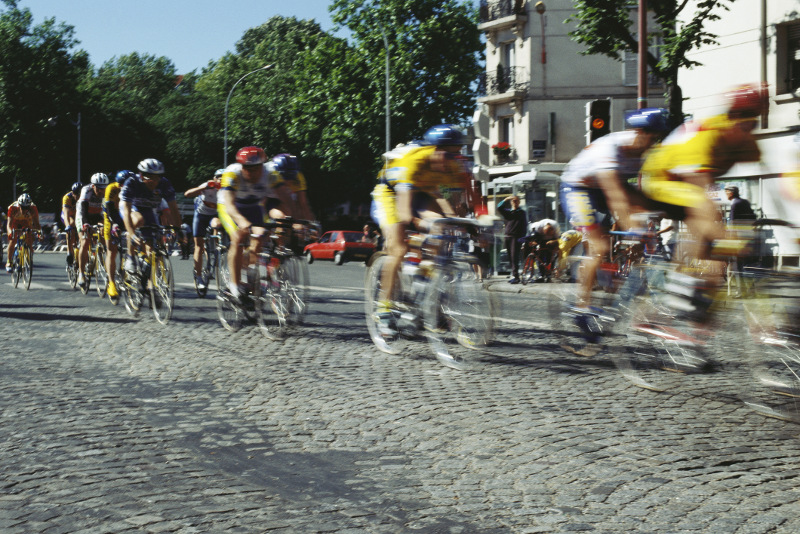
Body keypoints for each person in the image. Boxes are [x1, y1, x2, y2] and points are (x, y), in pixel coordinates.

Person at [560, 107, 669, 314]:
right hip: (578, 187)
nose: (653, 144)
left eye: (657, 139)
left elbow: (638, 195)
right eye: (652, 138)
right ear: (639, 134)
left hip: (606, 187)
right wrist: (633, 226)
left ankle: (636, 295)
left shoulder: (644, 153)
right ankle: (582, 305)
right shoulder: (610, 148)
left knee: (646, 215)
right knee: (599, 247)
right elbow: (614, 194)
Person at [370, 124, 466, 331]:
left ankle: (424, 291)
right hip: (390, 194)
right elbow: (405, 214)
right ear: (434, 151)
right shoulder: (413, 162)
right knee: (398, 248)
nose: (453, 160)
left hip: (423, 192)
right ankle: (383, 308)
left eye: (457, 155)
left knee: (440, 230)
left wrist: (462, 225)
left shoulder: (453, 166)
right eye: (449, 155)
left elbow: (453, 207)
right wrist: (424, 227)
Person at [218, 146, 286, 301]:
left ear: (263, 166)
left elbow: (284, 200)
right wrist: (242, 222)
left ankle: (249, 274)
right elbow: (229, 205)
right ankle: (234, 285)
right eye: (247, 168)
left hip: (252, 206)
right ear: (241, 167)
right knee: (238, 237)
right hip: (230, 206)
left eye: (256, 168)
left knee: (260, 238)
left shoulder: (270, 174)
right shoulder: (231, 173)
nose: (252, 172)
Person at [120, 159, 181, 271]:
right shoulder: (132, 182)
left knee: (152, 245)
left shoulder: (164, 183)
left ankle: (149, 284)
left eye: (157, 177)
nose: (154, 181)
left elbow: (174, 209)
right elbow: (127, 211)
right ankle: (130, 256)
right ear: (142, 176)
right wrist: (132, 234)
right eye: (150, 178)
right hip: (131, 207)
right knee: (138, 220)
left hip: (147, 209)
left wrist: (178, 230)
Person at [184, 169, 224, 291]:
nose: (221, 180)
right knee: (199, 246)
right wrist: (204, 187)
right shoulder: (209, 186)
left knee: (217, 224)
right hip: (201, 215)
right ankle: (199, 276)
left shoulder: (228, 189)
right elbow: (187, 194)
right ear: (214, 178)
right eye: (219, 177)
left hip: (216, 215)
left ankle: (217, 247)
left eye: (224, 177)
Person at [102, 170, 134, 301]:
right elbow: (109, 208)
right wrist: (114, 224)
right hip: (111, 215)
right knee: (112, 250)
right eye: (120, 184)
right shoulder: (111, 188)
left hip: (125, 214)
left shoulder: (134, 188)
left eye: (125, 184)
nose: (122, 187)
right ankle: (111, 283)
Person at [76, 173, 109, 288]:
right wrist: (86, 224)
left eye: (103, 188)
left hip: (96, 215)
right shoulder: (86, 190)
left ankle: (100, 252)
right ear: (93, 186)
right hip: (83, 215)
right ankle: (81, 274)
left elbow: (108, 210)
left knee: (106, 232)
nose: (101, 191)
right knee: (85, 242)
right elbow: (83, 208)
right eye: (99, 188)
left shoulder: (106, 192)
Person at [6, 194, 41, 272]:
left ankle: (28, 255)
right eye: (23, 207)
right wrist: (10, 233)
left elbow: (37, 224)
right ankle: (9, 261)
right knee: (13, 240)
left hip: (26, 222)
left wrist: (39, 234)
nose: (25, 210)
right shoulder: (13, 208)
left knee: (29, 237)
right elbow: (9, 225)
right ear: (19, 205)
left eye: (27, 208)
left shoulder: (33, 208)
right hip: (15, 222)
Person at [496, 195, 527, 284]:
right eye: (513, 201)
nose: (515, 202)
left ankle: (516, 276)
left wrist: (522, 239)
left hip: (516, 237)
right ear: (511, 202)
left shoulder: (521, 213)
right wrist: (506, 199)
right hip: (508, 236)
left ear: (519, 202)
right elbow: (499, 207)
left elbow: (524, 226)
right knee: (510, 257)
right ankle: (514, 275)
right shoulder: (508, 212)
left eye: (516, 201)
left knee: (514, 257)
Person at [61, 181, 83, 267]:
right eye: (76, 194)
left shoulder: (84, 197)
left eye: (79, 194)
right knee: (71, 224)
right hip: (68, 215)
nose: (78, 197)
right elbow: (66, 214)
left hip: (77, 215)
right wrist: (68, 226)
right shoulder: (67, 198)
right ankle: (69, 252)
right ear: (73, 193)